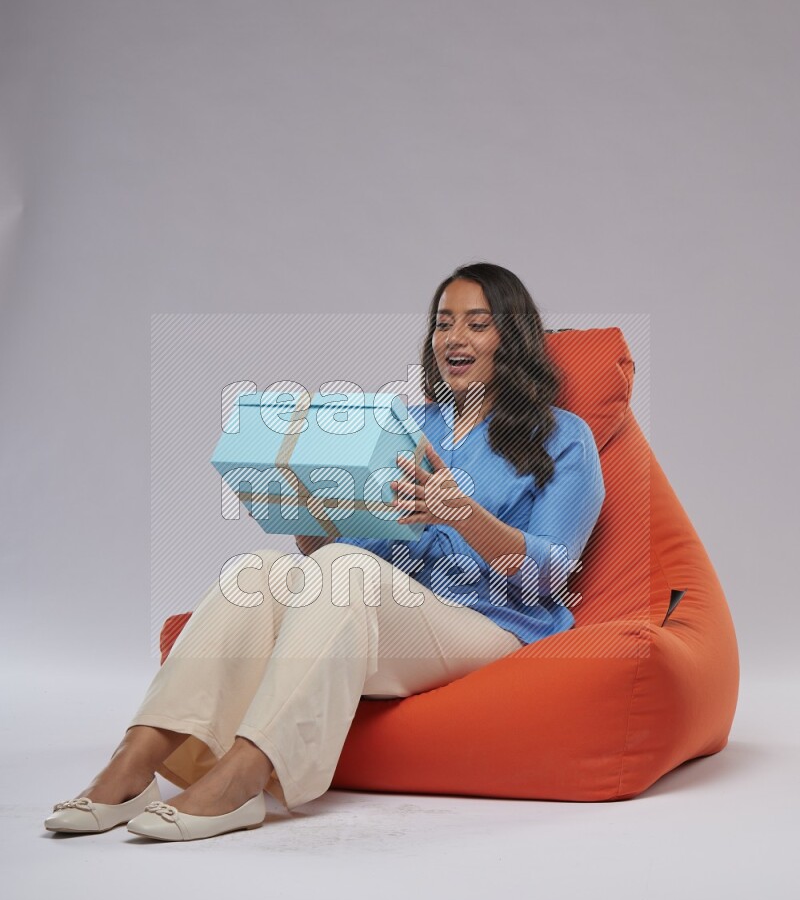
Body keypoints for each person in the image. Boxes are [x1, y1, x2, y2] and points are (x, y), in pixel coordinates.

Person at [44, 262, 605, 841]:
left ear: (511, 339)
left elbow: (551, 573)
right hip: (386, 610)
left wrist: (461, 515)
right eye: (443, 323)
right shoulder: (405, 424)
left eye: (476, 324)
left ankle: (243, 778)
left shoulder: (563, 437)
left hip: (494, 623)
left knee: (345, 571)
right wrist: (309, 510)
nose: (454, 339)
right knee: (260, 570)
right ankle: (134, 763)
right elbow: (350, 547)